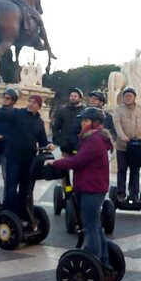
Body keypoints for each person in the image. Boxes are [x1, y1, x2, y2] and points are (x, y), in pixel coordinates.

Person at [47, 107, 114, 270]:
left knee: (90, 227)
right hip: (93, 186)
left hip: (91, 188)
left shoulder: (93, 140)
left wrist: (56, 162)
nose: (82, 123)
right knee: (95, 225)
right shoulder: (93, 138)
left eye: (86, 120)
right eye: (82, 120)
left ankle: (94, 262)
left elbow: (78, 161)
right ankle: (104, 261)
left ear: (95, 123)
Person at [0, 95, 55, 221]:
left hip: (29, 160)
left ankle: (23, 213)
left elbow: (42, 140)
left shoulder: (39, 122)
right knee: (11, 188)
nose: (30, 104)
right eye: (29, 101)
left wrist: (48, 145)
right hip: (13, 158)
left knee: (25, 189)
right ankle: (7, 215)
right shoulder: (18, 114)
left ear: (39, 106)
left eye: (33, 102)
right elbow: (4, 114)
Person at [112, 86, 141, 202]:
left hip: (137, 145)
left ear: (134, 97)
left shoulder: (140, 110)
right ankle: (121, 193)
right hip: (123, 146)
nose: (128, 98)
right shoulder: (118, 110)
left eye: (130, 96)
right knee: (122, 169)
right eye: (126, 96)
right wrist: (122, 136)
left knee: (135, 170)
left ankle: (134, 194)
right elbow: (117, 124)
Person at [52, 87, 85, 156]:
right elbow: (56, 127)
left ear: (80, 98)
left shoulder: (85, 111)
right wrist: (58, 140)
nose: (73, 98)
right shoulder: (62, 111)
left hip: (80, 146)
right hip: (65, 146)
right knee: (64, 165)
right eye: (71, 96)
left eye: (75, 96)